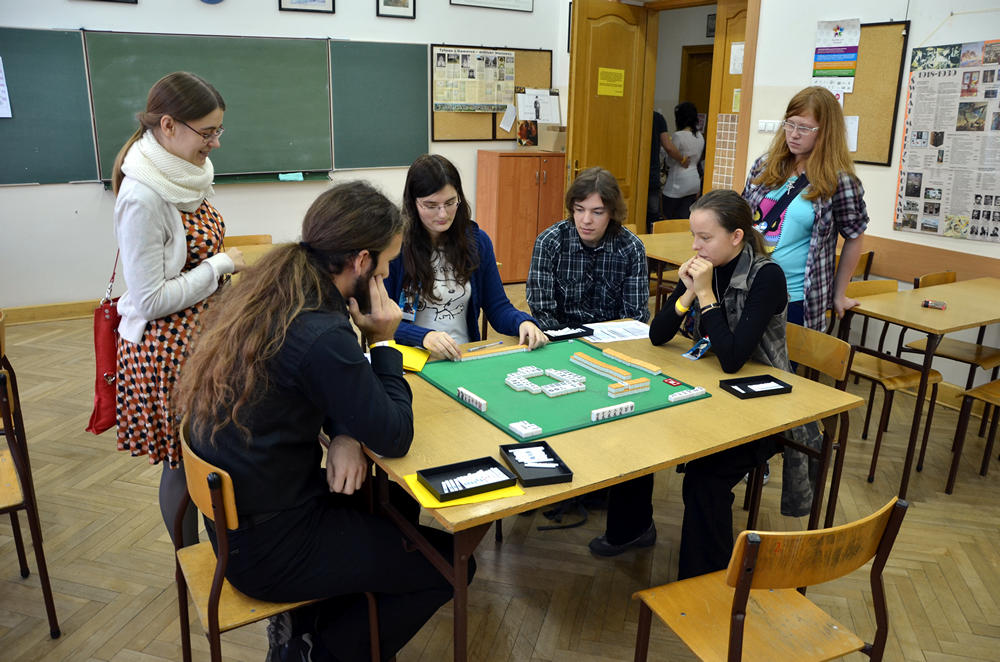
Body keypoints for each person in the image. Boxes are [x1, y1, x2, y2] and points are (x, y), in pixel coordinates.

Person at [175, 181, 472, 661]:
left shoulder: (285, 287)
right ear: (360, 261)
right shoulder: (321, 329)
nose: (389, 272)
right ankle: (319, 651)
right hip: (270, 547)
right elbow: (395, 434)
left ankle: (308, 623)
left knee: (388, 499)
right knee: (448, 567)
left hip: (241, 520)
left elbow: (323, 387)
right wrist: (382, 342)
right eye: (387, 262)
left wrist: (344, 431)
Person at [588, 190, 799, 580]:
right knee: (636, 428)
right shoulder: (710, 267)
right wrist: (686, 292)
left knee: (705, 480)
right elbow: (658, 335)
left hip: (760, 406)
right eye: (693, 236)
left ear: (736, 236)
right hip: (708, 386)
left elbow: (735, 358)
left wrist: (704, 294)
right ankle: (631, 530)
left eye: (705, 238)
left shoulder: (766, 276)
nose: (695, 246)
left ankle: (707, 579)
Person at [111, 71, 244, 547]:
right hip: (166, 351)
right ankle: (188, 559)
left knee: (208, 451)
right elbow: (149, 299)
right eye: (207, 133)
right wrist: (220, 266)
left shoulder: (186, 175)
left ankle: (222, 550)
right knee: (182, 459)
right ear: (168, 126)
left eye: (218, 131)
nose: (215, 143)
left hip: (201, 338)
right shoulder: (143, 195)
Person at [385, 154, 547, 360]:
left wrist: (522, 322)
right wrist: (423, 337)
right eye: (431, 205)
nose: (443, 214)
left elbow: (497, 307)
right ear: (413, 203)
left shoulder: (477, 242)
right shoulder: (395, 247)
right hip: (413, 361)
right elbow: (380, 322)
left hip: (464, 356)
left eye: (450, 202)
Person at [742, 85, 869, 331]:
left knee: (782, 368)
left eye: (805, 128)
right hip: (747, 286)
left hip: (795, 298)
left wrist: (839, 293)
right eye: (790, 124)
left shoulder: (839, 181)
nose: (794, 134)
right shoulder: (764, 166)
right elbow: (741, 218)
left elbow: (855, 236)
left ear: (826, 132)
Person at [527, 166, 650, 330]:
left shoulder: (631, 248)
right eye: (579, 210)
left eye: (597, 212)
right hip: (561, 339)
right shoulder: (549, 243)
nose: (586, 220)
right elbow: (542, 312)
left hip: (612, 341)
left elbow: (635, 317)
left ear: (612, 213)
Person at [661, 102, 705, 222]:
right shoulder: (700, 136)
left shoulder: (678, 136)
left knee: (668, 216)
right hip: (694, 183)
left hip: (677, 184)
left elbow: (670, 161)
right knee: (684, 219)